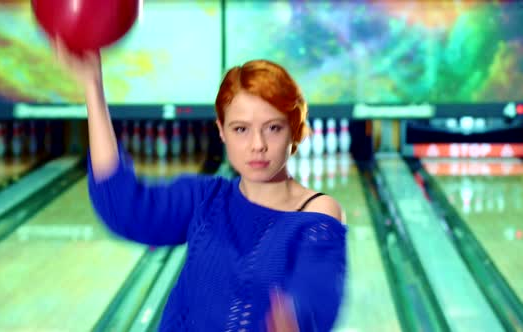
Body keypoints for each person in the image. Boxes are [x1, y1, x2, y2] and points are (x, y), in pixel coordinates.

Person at [52, 38, 347, 332]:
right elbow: (122, 207)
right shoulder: (206, 199)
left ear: (294, 129)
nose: (257, 145)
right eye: (241, 129)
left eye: (273, 128)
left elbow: (317, 293)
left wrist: (295, 318)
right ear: (221, 131)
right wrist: (93, 89)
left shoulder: (317, 212)